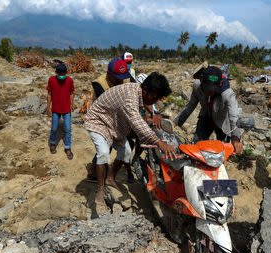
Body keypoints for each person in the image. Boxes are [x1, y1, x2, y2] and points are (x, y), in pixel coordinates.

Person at [85, 72, 176, 203]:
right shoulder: (130, 96)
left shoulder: (138, 92)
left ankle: (110, 178)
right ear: (145, 90)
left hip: (115, 123)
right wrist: (159, 143)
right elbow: (136, 121)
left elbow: (139, 116)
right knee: (104, 152)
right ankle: (100, 188)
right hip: (99, 121)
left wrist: (152, 116)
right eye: (154, 98)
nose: (154, 102)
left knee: (126, 152)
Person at [173, 66, 243, 154]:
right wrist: (174, 123)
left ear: (220, 84)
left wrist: (235, 138)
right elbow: (190, 106)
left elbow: (234, 116)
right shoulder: (197, 86)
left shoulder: (227, 94)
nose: (210, 93)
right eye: (207, 89)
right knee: (197, 147)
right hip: (206, 117)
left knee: (222, 152)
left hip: (223, 123)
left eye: (213, 90)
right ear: (201, 80)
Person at [87, 58, 134, 182]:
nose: (120, 80)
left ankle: (120, 172)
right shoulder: (99, 84)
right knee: (106, 145)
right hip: (102, 118)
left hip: (121, 118)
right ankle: (94, 172)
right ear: (109, 74)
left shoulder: (127, 79)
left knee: (126, 145)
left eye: (122, 77)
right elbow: (110, 107)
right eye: (117, 77)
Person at [47, 63, 75, 159]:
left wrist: (71, 104)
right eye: (60, 74)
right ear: (56, 73)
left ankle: (67, 147)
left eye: (63, 73)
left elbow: (71, 93)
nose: (62, 75)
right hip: (55, 108)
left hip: (66, 109)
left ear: (66, 72)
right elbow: (49, 94)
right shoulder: (51, 80)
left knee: (67, 129)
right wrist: (48, 107)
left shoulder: (70, 81)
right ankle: (52, 143)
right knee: (54, 128)